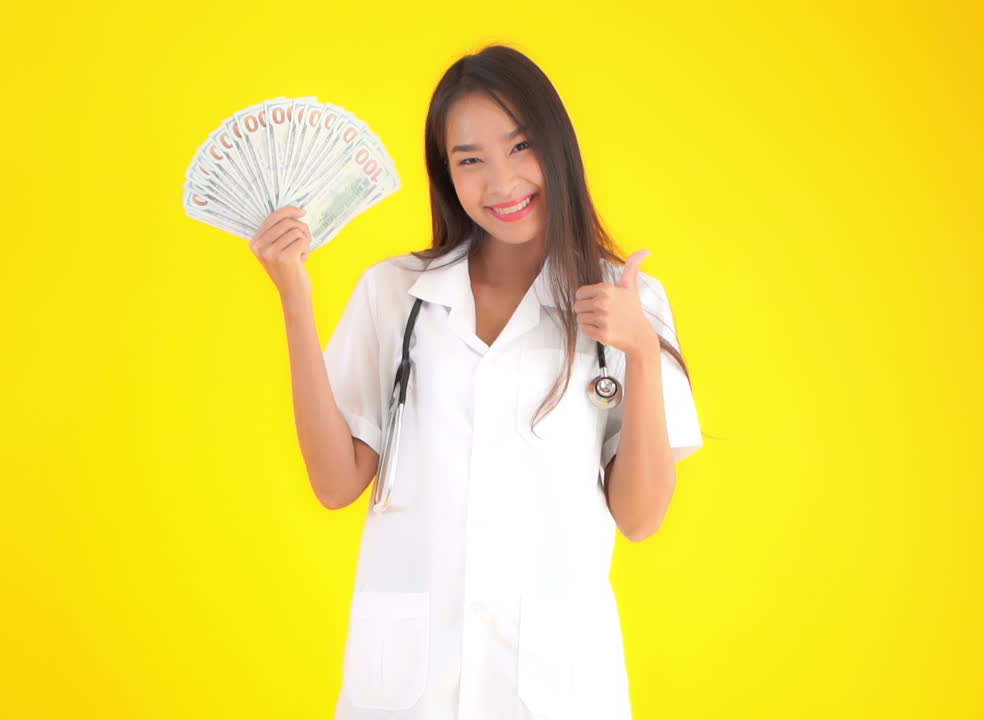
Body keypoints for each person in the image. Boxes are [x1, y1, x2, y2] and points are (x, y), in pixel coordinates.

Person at [249, 44, 704, 720]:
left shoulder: (627, 300)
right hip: (408, 689)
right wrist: (293, 294)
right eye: (470, 160)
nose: (503, 184)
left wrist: (639, 349)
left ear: (557, 148)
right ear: (446, 173)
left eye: (521, 148)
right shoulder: (396, 294)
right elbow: (335, 482)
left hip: (555, 690)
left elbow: (640, 518)